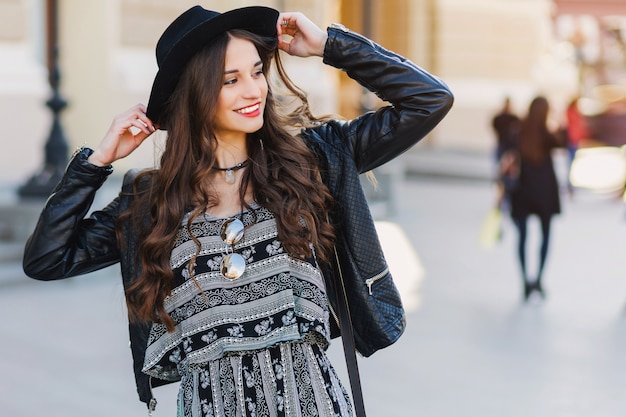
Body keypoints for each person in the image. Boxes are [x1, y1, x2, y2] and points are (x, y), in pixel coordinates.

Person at [22, 5, 453, 417]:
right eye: (230, 79)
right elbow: (47, 258)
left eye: (257, 71)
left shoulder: (312, 163)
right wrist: (96, 163)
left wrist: (328, 45)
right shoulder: (154, 203)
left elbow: (429, 100)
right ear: (194, 95)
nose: (254, 90)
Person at [509, 96, 564, 302]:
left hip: (523, 191)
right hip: (545, 193)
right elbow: (563, 142)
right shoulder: (546, 134)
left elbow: (508, 158)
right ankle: (539, 279)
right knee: (545, 236)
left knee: (522, 238)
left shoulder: (518, 131)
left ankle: (524, 280)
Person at [491, 96, 521, 211]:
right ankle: (500, 198)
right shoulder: (501, 117)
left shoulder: (513, 118)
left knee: (507, 176)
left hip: (509, 149)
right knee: (500, 175)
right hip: (502, 147)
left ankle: (505, 198)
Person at [564, 95, 589, 195]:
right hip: (572, 140)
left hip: (575, 139)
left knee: (572, 162)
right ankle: (569, 183)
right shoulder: (572, 112)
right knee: (570, 162)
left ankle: (570, 183)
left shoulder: (575, 112)